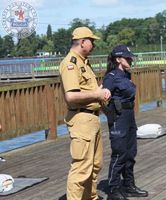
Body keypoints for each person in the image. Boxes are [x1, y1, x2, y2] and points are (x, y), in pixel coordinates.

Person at [59, 26, 111, 200]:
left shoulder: (84, 62)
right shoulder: (70, 64)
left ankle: (91, 197)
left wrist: (101, 96)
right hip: (81, 119)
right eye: (91, 41)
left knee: (95, 166)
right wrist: (96, 94)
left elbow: (88, 90)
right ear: (82, 42)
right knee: (81, 169)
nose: (93, 45)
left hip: (92, 119)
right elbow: (71, 96)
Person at [102, 45, 148, 200]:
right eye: (128, 58)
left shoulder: (126, 75)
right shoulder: (111, 76)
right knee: (119, 154)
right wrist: (111, 115)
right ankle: (113, 189)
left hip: (129, 117)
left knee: (130, 154)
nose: (130, 60)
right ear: (118, 59)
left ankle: (128, 186)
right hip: (118, 118)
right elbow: (103, 97)